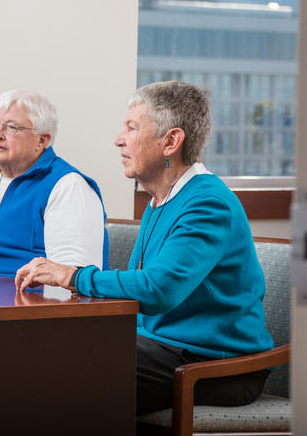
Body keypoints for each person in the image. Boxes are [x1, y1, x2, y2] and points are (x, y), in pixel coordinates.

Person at [15, 80, 273, 414]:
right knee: (38, 350)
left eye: (131, 128)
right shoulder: (161, 200)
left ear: (171, 141)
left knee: (64, 373)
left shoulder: (208, 203)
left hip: (216, 367)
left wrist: (73, 276)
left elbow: (157, 290)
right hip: (165, 349)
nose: (118, 139)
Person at [0, 89, 108, 276]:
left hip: (29, 303)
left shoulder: (68, 187)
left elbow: (70, 282)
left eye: (12, 127)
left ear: (42, 140)